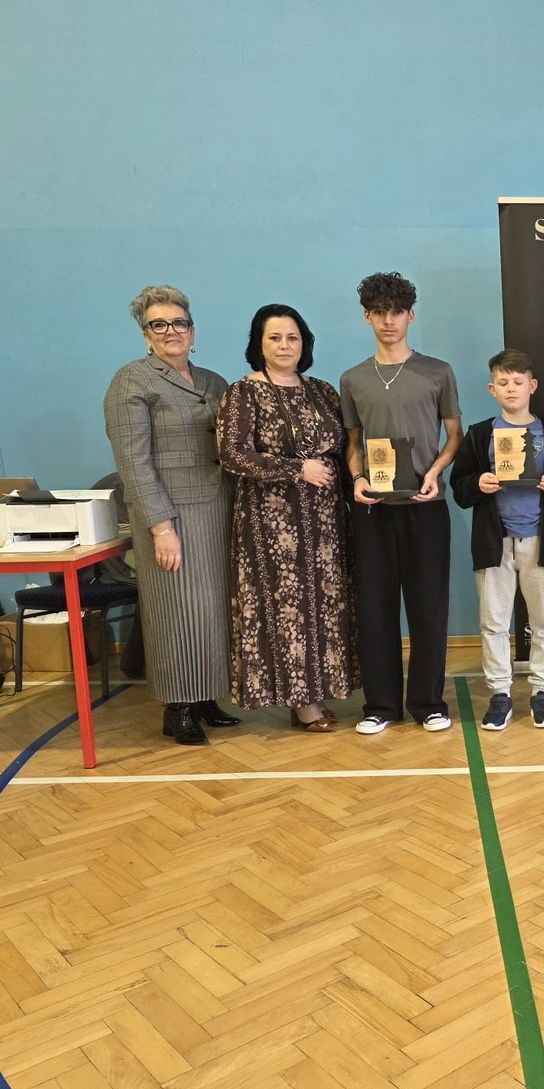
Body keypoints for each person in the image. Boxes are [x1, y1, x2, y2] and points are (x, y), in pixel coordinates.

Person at [104, 285, 238, 746]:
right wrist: (161, 527)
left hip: (218, 509)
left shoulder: (214, 382)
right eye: (158, 324)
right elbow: (133, 462)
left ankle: (206, 696)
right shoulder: (131, 381)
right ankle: (176, 708)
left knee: (213, 609)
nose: (170, 331)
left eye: (179, 322)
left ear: (192, 331)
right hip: (170, 517)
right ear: (146, 335)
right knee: (175, 610)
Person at [218, 304, 357, 731]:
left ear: (304, 343)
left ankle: (319, 691)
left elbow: (343, 448)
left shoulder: (322, 391)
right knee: (288, 610)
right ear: (258, 344)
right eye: (274, 338)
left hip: (326, 524)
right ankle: (302, 703)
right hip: (272, 526)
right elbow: (232, 454)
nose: (284, 345)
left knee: (325, 606)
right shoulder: (244, 393)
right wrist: (297, 469)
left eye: (292, 337)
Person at [340, 272, 461, 734]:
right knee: (375, 608)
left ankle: (429, 703)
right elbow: (353, 444)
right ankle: (380, 705)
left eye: (396, 312)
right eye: (379, 313)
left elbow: (453, 436)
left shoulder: (438, 371)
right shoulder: (353, 379)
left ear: (410, 315)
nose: (388, 321)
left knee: (429, 607)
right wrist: (356, 479)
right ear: (366, 317)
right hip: (373, 510)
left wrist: (434, 473)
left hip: (425, 506)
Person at [450, 350, 544, 730]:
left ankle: (542, 691)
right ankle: (500, 694)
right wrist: (478, 483)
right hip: (495, 541)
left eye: (518, 382)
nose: (511, 388)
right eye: (502, 382)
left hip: (540, 539)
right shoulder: (479, 435)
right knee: (493, 621)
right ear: (492, 389)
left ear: (531, 386)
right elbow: (459, 489)